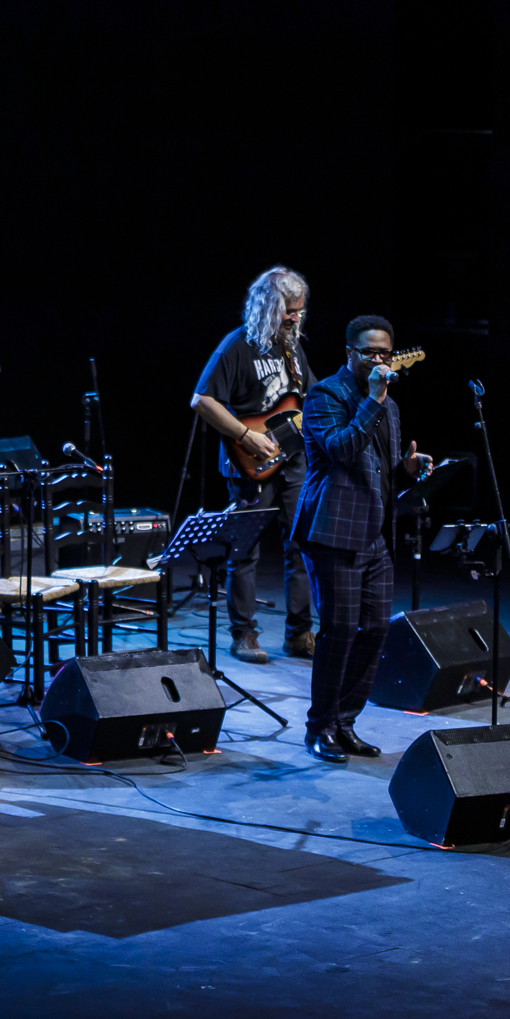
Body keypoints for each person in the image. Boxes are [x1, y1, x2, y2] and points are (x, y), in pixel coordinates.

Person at [290, 316, 433, 763]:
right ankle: (320, 728)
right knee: (338, 632)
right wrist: (373, 399)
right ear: (349, 353)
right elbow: (341, 450)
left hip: (375, 534)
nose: (378, 360)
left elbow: (382, 471)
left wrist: (407, 470)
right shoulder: (325, 395)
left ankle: (345, 723)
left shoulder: (390, 406)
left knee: (374, 631)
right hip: (333, 531)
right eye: (369, 353)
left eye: (384, 354)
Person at [189, 266, 316, 663]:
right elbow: (202, 400)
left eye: (299, 310)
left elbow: (310, 399)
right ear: (268, 307)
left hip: (293, 460)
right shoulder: (237, 345)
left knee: (301, 546)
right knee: (244, 551)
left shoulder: (292, 349)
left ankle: (299, 633)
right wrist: (246, 436)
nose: (296, 317)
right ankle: (243, 634)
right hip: (250, 462)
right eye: (289, 310)